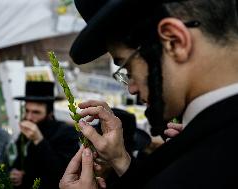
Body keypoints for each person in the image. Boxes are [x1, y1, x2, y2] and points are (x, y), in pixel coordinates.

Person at [60, 0, 238, 188]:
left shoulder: (209, 161)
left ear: (174, 41)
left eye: (128, 68)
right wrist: (119, 159)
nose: (132, 88)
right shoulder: (213, 137)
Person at [10, 81, 79, 189]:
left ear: (49, 113)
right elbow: (19, 161)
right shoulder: (25, 134)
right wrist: (15, 172)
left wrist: (39, 140)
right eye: (27, 111)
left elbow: (62, 173)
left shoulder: (66, 134)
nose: (29, 117)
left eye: (36, 112)